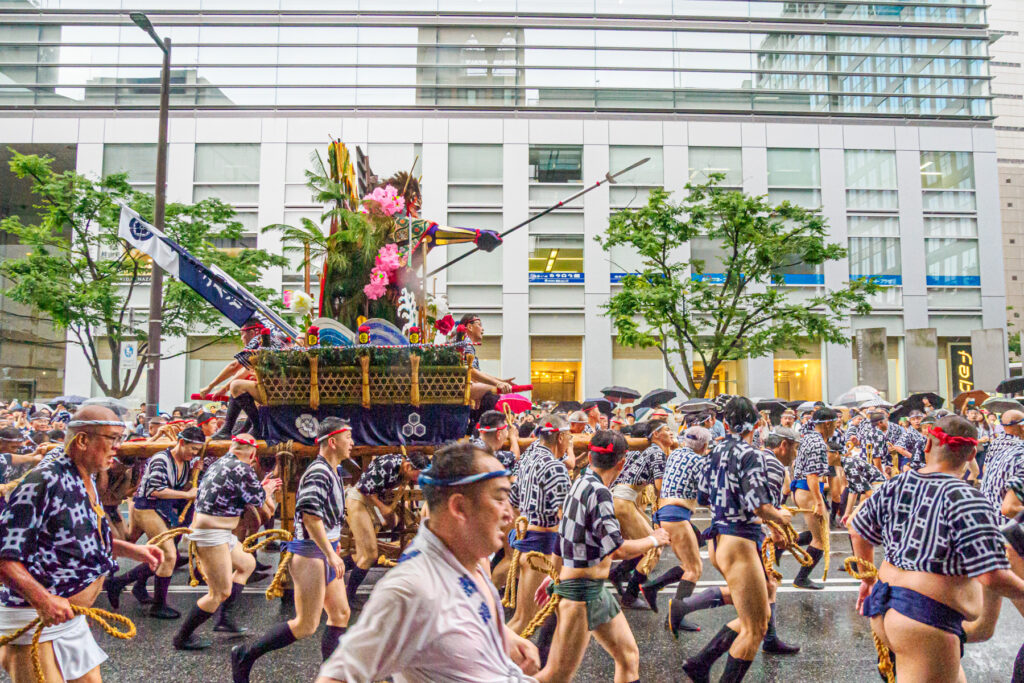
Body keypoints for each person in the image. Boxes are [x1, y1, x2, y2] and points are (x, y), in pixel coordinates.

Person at [316, 441, 540, 683]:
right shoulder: (412, 590)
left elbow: (465, 619)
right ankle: (350, 592)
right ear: (459, 507)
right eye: (499, 498)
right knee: (367, 553)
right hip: (358, 501)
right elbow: (335, 678)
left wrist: (503, 635)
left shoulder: (473, 561)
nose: (510, 513)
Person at [849, 415, 1024, 683]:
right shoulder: (967, 498)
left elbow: (857, 528)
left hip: (885, 606)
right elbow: (992, 576)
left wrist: (868, 579)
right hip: (924, 622)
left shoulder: (896, 484)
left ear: (927, 445)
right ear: (972, 454)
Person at [0, 406, 163, 683]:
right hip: (36, 619)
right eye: (112, 438)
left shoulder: (85, 476)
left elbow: (87, 536)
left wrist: (131, 550)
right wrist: (43, 600)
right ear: (83, 440)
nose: (118, 447)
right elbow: (4, 557)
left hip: (69, 619)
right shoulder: (44, 480)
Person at [533, 430, 669, 683]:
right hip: (581, 593)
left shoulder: (580, 482)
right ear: (622, 462)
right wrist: (654, 539)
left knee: (628, 657)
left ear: (591, 457)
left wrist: (552, 576)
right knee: (555, 675)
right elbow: (616, 549)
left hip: (593, 590)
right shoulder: (599, 492)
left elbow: (561, 538)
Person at [681, 397, 794, 682]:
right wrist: (781, 516)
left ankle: (700, 662)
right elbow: (760, 506)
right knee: (756, 627)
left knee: (755, 610)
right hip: (740, 541)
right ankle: (703, 666)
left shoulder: (713, 452)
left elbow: (704, 496)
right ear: (756, 425)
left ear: (726, 424)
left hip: (719, 540)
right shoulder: (750, 454)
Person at [233, 418, 353, 682]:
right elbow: (310, 516)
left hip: (324, 551)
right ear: (332, 442)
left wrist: (334, 545)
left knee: (341, 613)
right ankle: (245, 653)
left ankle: (331, 675)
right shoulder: (319, 471)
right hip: (312, 555)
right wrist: (331, 554)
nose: (352, 443)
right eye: (348, 438)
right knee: (306, 625)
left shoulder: (332, 470)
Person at [667, 425, 802, 655]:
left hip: (720, 533)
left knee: (760, 590)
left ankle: (767, 638)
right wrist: (777, 525)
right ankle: (701, 652)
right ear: (783, 446)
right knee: (756, 606)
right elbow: (759, 506)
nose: (796, 454)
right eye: (795, 448)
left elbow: (705, 497)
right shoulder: (770, 465)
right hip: (743, 537)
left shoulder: (725, 453)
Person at [173, 434, 281, 650]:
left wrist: (261, 489)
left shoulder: (221, 463)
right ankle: (182, 637)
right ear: (252, 455)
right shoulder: (242, 468)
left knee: (247, 564)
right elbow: (264, 507)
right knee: (218, 592)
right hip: (211, 534)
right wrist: (267, 489)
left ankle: (224, 619)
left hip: (219, 531)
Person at [105, 426, 205, 619]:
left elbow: (177, 486)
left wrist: (195, 472)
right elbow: (155, 490)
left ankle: (136, 586)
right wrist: (186, 494)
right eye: (193, 448)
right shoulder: (161, 459)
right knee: (168, 555)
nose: (195, 453)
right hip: (147, 507)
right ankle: (156, 604)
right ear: (181, 442)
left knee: (163, 553)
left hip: (161, 508)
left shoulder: (186, 462)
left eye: (198, 450)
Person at [506, 416, 573, 634]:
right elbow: (565, 516)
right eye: (569, 437)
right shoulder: (555, 467)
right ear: (560, 437)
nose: (570, 441)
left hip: (529, 539)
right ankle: (492, 665)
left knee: (531, 618)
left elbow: (514, 500)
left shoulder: (527, 458)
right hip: (543, 547)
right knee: (525, 621)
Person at [642, 426, 710, 624]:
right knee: (694, 568)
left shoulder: (676, 453)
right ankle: (675, 617)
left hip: (666, 513)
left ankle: (652, 587)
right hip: (676, 515)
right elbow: (705, 496)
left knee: (691, 559)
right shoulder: (699, 460)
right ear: (704, 445)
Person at [344, 450, 429, 605]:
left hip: (367, 504)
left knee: (362, 555)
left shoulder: (402, 468)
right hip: (358, 501)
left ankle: (329, 574)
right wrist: (383, 509)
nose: (419, 478)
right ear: (409, 466)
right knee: (369, 555)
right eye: (418, 474)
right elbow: (364, 488)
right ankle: (347, 597)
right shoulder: (389, 464)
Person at [609, 419, 670, 608]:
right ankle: (630, 595)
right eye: (667, 429)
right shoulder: (657, 453)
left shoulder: (648, 451)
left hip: (623, 500)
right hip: (624, 501)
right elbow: (660, 487)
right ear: (656, 435)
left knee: (642, 543)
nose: (672, 432)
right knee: (654, 547)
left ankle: (618, 573)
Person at [202, 317, 289, 440]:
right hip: (280, 390)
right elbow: (245, 370)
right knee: (238, 386)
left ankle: (257, 427)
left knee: (237, 386)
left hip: (278, 392)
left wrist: (210, 386)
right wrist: (225, 387)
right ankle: (229, 429)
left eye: (242, 334)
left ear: (253, 332)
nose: (242, 339)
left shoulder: (259, 340)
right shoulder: (270, 341)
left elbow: (234, 366)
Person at [789, 406, 837, 590]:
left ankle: (781, 545)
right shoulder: (817, 443)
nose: (835, 427)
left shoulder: (809, 437)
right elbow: (812, 475)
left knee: (814, 532)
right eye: (834, 424)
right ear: (826, 424)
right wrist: (818, 501)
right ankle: (801, 578)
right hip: (808, 491)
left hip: (801, 490)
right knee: (821, 539)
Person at [454, 314, 514, 407]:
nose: (483, 329)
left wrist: (500, 381)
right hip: (462, 386)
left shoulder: (464, 342)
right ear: (469, 327)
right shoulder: (466, 343)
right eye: (479, 325)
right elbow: (471, 371)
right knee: (493, 391)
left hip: (462, 385)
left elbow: (474, 371)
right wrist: (498, 383)